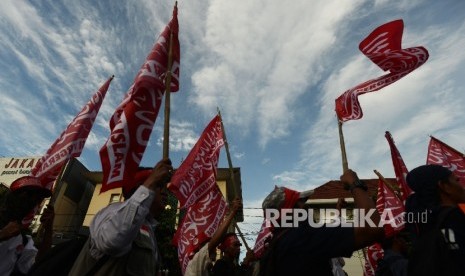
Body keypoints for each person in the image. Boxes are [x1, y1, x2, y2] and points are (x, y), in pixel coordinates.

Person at [259, 169, 384, 276]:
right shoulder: (303, 237)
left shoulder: (272, 249)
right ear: (290, 211)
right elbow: (372, 227)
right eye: (300, 202)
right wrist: (355, 183)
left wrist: (338, 212)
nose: (306, 207)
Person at [69, 158, 173, 276]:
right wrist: (151, 182)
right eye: (159, 186)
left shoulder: (149, 228)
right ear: (140, 189)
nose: (165, 192)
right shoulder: (112, 211)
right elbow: (112, 242)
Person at [404, 164, 465, 275]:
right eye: (457, 181)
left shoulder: (423, 234)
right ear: (444, 186)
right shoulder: (457, 219)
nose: (462, 187)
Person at [0, 176, 54, 275]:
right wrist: (2, 235)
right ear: (12, 197)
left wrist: (48, 230)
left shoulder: (22, 241)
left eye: (37, 199)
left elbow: (38, 265)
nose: (32, 201)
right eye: (28, 194)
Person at [184, 199, 243, 276]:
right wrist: (232, 212)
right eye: (208, 245)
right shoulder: (196, 261)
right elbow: (215, 241)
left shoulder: (206, 269)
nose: (214, 248)